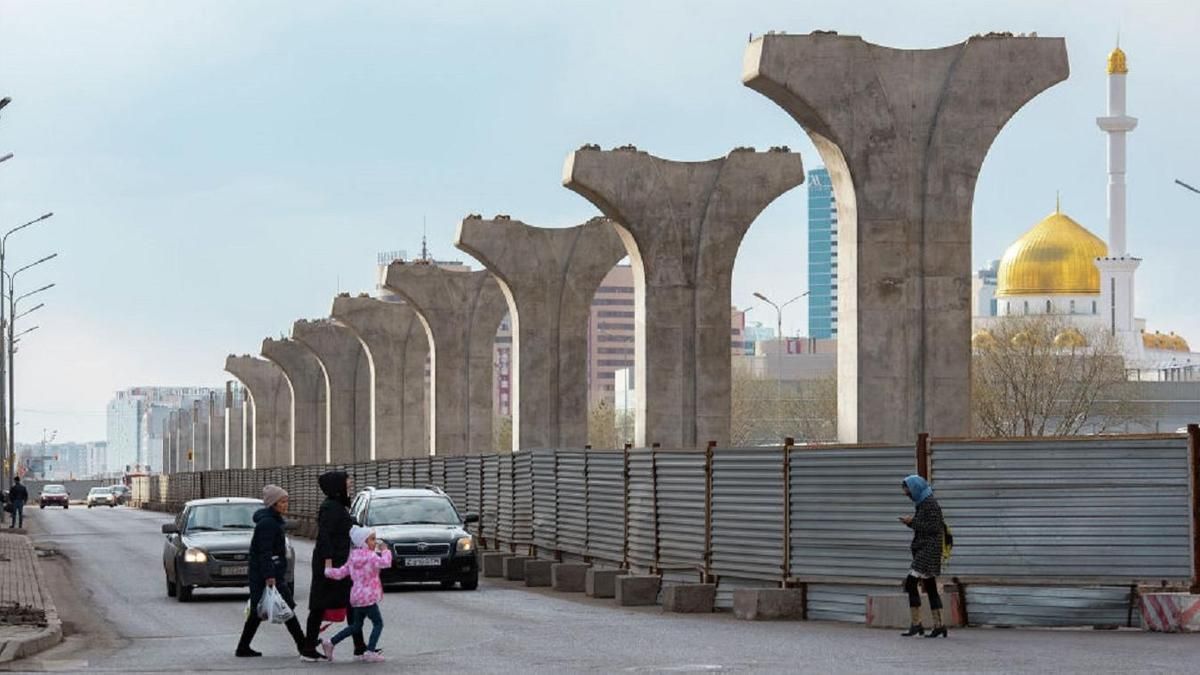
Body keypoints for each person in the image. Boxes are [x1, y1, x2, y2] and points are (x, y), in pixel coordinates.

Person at [235, 484, 309, 658]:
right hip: (265, 575)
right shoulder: (268, 523)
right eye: (282, 501)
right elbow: (264, 552)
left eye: (286, 501)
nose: (285, 504)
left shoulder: (273, 521)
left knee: (259, 611)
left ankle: (243, 647)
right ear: (273, 504)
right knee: (285, 608)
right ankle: (303, 645)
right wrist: (269, 576)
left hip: (268, 573)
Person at [302, 470, 365, 661]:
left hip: (342, 562)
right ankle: (308, 648)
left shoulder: (338, 505)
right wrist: (329, 564)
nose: (351, 483)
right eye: (347, 481)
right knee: (319, 606)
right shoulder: (330, 507)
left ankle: (360, 647)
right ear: (337, 485)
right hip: (331, 564)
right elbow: (325, 536)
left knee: (351, 603)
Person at [321, 525, 391, 662]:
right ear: (363, 542)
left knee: (356, 625)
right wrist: (385, 550)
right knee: (378, 623)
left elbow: (341, 573)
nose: (375, 542)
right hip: (369, 597)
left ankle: (330, 642)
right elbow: (385, 563)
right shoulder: (371, 557)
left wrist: (327, 570)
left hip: (356, 598)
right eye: (372, 539)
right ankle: (370, 651)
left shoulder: (353, 557)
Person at [899, 474, 948, 638]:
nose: (907, 494)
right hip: (925, 549)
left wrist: (911, 522)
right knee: (931, 587)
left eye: (908, 491)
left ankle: (917, 624)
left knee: (911, 583)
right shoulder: (923, 503)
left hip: (929, 551)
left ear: (916, 488)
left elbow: (934, 527)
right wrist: (912, 522)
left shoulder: (930, 504)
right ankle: (939, 626)